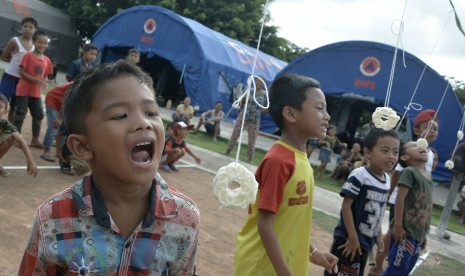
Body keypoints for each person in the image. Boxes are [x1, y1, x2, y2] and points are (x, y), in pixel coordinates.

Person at [18, 60, 200, 275]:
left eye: (151, 112)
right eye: (120, 115)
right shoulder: (53, 218)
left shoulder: (186, 218)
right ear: (83, 146)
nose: (144, 123)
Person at [234, 73, 338, 275]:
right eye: (319, 108)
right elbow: (265, 223)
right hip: (262, 267)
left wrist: (313, 252)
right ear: (291, 114)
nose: (327, 116)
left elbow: (289, 221)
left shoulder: (301, 158)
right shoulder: (279, 160)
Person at [369, 109, 441, 275]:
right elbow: (398, 174)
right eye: (428, 127)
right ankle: (378, 265)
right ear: (417, 130)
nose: (432, 131)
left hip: (417, 205)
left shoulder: (430, 154)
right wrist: (389, 194)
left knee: (400, 245)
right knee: (393, 234)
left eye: (435, 128)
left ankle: (384, 262)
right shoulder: (408, 149)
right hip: (401, 199)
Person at [325, 128, 399, 276]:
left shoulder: (387, 181)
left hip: (365, 242)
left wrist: (378, 236)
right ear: (368, 152)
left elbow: (379, 212)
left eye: (395, 152)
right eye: (385, 151)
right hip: (348, 240)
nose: (391, 156)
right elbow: (346, 206)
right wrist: (352, 237)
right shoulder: (360, 175)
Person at [381, 141, 433, 276]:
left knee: (406, 270)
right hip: (405, 232)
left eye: (422, 146)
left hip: (417, 234)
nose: (421, 146)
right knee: (397, 270)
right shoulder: (409, 172)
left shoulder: (428, 176)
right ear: (404, 157)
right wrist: (398, 226)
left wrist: (424, 234)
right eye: (415, 146)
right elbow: (400, 199)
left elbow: (426, 207)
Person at [13, 31, 53, 148]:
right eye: (40, 42)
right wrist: (35, 80)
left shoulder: (47, 60)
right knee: (20, 113)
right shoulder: (28, 55)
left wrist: (45, 82)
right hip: (24, 90)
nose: (43, 45)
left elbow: (45, 75)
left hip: (36, 93)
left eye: (45, 43)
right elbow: (21, 72)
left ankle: (35, 139)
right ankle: (17, 139)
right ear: (34, 42)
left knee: (39, 114)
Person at [0, 17, 37, 123]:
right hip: (9, 77)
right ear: (21, 28)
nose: (27, 29)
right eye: (25, 26)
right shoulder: (15, 41)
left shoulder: (35, 47)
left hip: (22, 81)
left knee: (14, 106)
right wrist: (13, 59)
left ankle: (9, 130)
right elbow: (3, 57)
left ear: (35, 30)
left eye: (31, 27)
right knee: (1, 102)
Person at [225, 77, 267, 163]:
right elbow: (242, 101)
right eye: (257, 81)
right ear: (254, 82)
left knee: (252, 139)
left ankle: (250, 158)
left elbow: (267, 107)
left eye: (261, 82)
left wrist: (259, 112)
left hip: (255, 120)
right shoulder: (249, 91)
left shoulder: (264, 95)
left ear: (263, 84)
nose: (259, 83)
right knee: (235, 134)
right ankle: (228, 151)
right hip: (244, 116)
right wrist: (241, 110)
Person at [0, 94, 38, 177]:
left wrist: (30, 161)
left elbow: (21, 140)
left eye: (0, 107)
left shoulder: (5, 124)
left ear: (6, 111)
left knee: (10, 136)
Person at [40, 82, 73, 162]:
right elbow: (65, 101)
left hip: (61, 105)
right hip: (53, 100)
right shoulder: (78, 85)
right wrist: (60, 118)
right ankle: (46, 151)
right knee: (54, 126)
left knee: (63, 129)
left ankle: (59, 152)